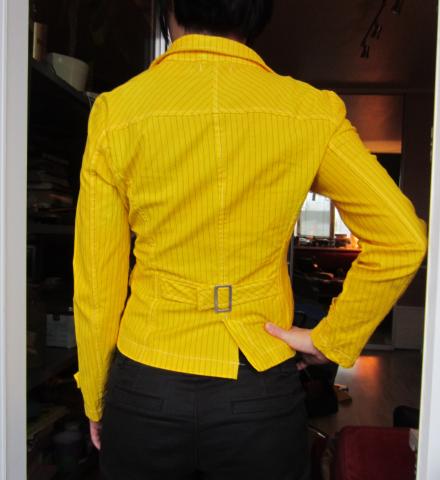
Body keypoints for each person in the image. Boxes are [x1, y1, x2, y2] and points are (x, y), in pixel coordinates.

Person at [72, 1, 428, 479]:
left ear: (170, 8)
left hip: (147, 385)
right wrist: (332, 339)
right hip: (258, 387)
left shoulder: (117, 112)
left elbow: (97, 282)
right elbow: (403, 238)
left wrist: (96, 395)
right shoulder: (309, 111)